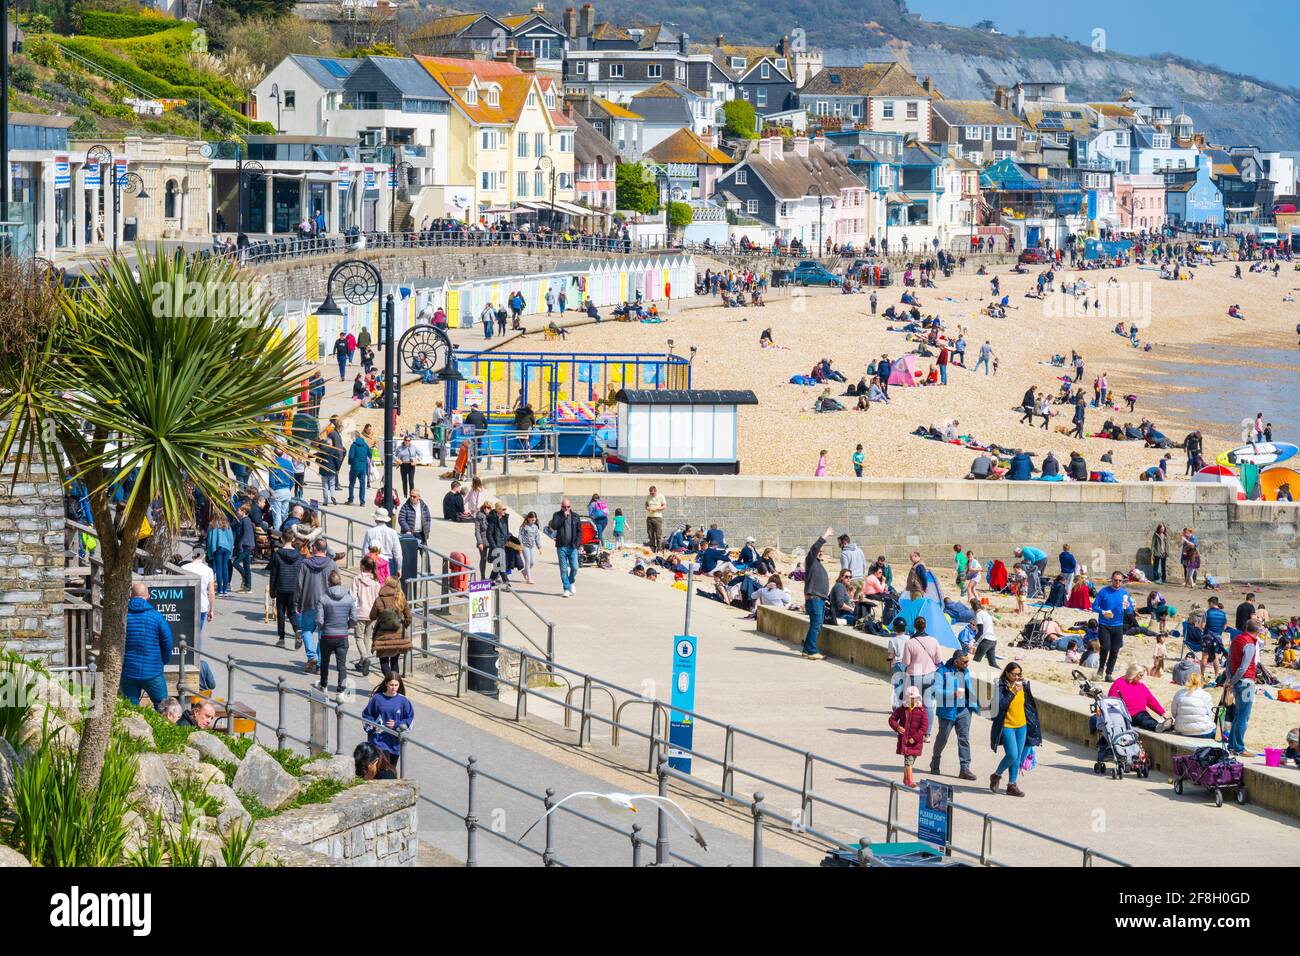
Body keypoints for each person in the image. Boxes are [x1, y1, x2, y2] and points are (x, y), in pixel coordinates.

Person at [989, 662, 1040, 798]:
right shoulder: (1000, 686)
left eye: (1019, 674)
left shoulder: (1023, 685)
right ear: (1007, 673)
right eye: (1014, 674)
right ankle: (996, 775)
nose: (1017, 677)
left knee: (1018, 757)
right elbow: (1000, 705)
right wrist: (1012, 692)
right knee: (1012, 754)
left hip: (1022, 725)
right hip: (1007, 726)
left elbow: (1029, 707)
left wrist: (1033, 726)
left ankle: (1012, 785)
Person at [121, 582, 174, 707]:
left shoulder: (122, 616)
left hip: (129, 670)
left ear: (130, 596)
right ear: (148, 596)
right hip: (153, 670)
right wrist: (163, 661)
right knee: (163, 707)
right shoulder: (156, 616)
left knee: (131, 709)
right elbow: (167, 643)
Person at [930, 650, 979, 780]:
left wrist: (973, 703)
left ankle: (965, 769)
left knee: (964, 739)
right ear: (956, 661)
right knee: (942, 738)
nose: (967, 664)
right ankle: (935, 762)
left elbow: (969, 688)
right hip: (947, 711)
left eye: (968, 661)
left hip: (964, 711)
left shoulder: (965, 671)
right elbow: (935, 691)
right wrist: (952, 694)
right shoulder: (942, 671)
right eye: (965, 661)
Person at [296, 538, 339, 675]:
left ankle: (311, 655)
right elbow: (337, 584)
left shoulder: (305, 564)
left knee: (307, 630)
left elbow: (299, 584)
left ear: (314, 548)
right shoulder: (332, 564)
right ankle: (320, 663)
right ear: (325, 549)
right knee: (323, 635)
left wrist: (296, 601)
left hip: (309, 602)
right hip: (327, 604)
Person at [316, 570, 356, 693]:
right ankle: (341, 689)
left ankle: (324, 684)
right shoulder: (349, 598)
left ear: (328, 583)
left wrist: (324, 627)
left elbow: (319, 619)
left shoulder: (323, 598)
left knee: (324, 661)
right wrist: (346, 627)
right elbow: (354, 619)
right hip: (342, 635)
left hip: (327, 634)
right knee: (341, 664)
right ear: (340, 582)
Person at [361, 672, 414, 765]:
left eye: (396, 685)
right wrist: (373, 726)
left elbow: (409, 719)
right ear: (386, 684)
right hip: (377, 741)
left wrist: (397, 724)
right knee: (378, 770)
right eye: (391, 685)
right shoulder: (377, 698)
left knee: (390, 771)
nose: (393, 687)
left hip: (394, 743)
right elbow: (366, 715)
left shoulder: (404, 701)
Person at [1226, 621, 1261, 756]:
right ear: (1257, 631)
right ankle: (1239, 748)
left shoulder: (1236, 639)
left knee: (1238, 715)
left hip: (1237, 681)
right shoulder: (1250, 643)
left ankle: (1232, 745)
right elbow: (1243, 667)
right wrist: (1232, 681)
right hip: (1246, 682)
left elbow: (1229, 661)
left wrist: (1230, 679)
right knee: (1243, 717)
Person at [903, 615, 942, 736]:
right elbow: (938, 660)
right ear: (925, 626)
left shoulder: (910, 642)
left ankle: (913, 731)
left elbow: (906, 662)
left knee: (913, 704)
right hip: (930, 675)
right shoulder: (933, 640)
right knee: (929, 704)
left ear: (914, 626)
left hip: (915, 676)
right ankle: (927, 733)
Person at [801, 527, 834, 660]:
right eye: (818, 551)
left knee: (816, 625)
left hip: (819, 599)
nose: (820, 552)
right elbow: (815, 547)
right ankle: (812, 651)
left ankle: (806, 650)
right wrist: (826, 534)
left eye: (822, 552)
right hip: (814, 598)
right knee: (816, 625)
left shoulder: (818, 564)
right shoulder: (811, 560)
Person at [1093, 571, 1133, 681]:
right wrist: (1103, 612)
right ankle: (1101, 669)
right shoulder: (1104, 592)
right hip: (1104, 624)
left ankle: (1109, 673)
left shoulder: (1124, 594)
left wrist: (1128, 606)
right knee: (1105, 648)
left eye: (1120, 581)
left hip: (1118, 625)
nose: (1117, 583)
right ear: (1112, 580)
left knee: (1115, 650)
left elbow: (1130, 611)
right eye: (1116, 580)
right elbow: (1094, 606)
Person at [370, 574, 412, 676]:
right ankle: (395, 684)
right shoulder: (401, 598)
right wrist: (403, 626)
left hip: (382, 635)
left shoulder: (379, 599)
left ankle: (389, 683)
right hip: (398, 634)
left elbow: (372, 616)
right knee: (394, 661)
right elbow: (409, 617)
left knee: (383, 661)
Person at [268, 530, 303, 649]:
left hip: (281, 586)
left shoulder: (277, 554)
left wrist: (272, 591)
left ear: (282, 539)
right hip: (294, 588)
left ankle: (281, 638)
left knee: (281, 613)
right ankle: (297, 629)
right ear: (293, 539)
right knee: (292, 612)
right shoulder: (299, 556)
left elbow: (274, 574)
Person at [889, 685, 929, 789]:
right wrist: (897, 727)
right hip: (904, 741)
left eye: (915, 698)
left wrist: (915, 738)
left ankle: (905, 779)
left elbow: (924, 728)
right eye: (911, 698)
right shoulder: (902, 709)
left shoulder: (922, 711)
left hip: (915, 743)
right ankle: (909, 780)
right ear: (907, 698)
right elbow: (892, 719)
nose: (913, 700)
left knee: (910, 761)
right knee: (909, 761)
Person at [1108, 664, 1167, 731]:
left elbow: (1151, 700)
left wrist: (1163, 713)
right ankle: (1157, 726)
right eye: (1140, 675)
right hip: (1126, 715)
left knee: (1145, 718)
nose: (1141, 678)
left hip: (1141, 713)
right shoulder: (1118, 684)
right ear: (1134, 673)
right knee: (1143, 718)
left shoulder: (1141, 686)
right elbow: (1111, 702)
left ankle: (1159, 726)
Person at [180, 549, 216, 653]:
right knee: (198, 633)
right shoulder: (208, 570)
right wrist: (211, 609)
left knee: (185, 631)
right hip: (202, 605)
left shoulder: (184, 568)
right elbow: (211, 592)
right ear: (203, 556)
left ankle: (184, 654)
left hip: (186, 604)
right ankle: (196, 657)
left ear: (193, 555)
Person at [351, 555, 381, 676]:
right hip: (372, 613)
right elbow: (378, 599)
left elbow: (352, 597)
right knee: (368, 637)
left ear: (363, 566)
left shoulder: (357, 579)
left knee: (359, 637)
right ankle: (364, 659)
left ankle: (364, 657)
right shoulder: (376, 582)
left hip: (360, 612)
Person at [548, 497, 583, 597]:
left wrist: (578, 544)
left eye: (568, 507)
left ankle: (571, 581)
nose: (566, 509)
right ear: (561, 506)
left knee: (575, 567)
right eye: (564, 507)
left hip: (572, 547)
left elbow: (579, 531)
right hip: (561, 546)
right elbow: (554, 526)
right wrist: (563, 517)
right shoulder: (557, 515)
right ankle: (566, 588)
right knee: (563, 569)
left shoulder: (575, 516)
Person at [1171, 671, 1216, 738]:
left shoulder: (1179, 693)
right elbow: (1211, 715)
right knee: (1217, 730)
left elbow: (1174, 712)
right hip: (1202, 731)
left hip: (1182, 730)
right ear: (1201, 683)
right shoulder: (1205, 695)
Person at [363, 508, 403, 580]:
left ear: (376, 518)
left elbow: (365, 552)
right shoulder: (392, 532)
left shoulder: (370, 532)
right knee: (388, 588)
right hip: (389, 562)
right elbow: (398, 553)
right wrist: (399, 568)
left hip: (373, 562)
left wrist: (364, 566)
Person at [347, 431, 372, 505]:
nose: (351, 438)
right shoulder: (365, 444)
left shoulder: (353, 445)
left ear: (354, 437)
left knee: (352, 483)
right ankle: (362, 501)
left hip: (355, 466)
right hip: (363, 467)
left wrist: (351, 463)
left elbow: (351, 456)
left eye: (352, 437)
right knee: (362, 485)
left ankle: (351, 500)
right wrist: (366, 460)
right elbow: (369, 454)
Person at [971, 598, 998, 665]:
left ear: (972, 606)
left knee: (975, 662)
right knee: (992, 664)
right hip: (993, 640)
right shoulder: (985, 613)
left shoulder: (979, 615)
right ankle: (1003, 675)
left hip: (986, 641)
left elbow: (981, 631)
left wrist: (973, 640)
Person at [519, 511, 543, 585]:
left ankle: (524, 571)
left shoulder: (535, 527)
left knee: (532, 562)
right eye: (532, 520)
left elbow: (537, 538)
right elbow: (520, 536)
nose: (533, 521)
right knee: (528, 561)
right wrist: (520, 546)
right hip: (525, 546)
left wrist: (539, 548)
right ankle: (529, 579)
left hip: (532, 546)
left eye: (534, 520)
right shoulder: (524, 526)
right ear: (528, 518)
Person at [644, 485, 666, 551]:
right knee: (650, 534)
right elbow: (646, 505)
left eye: (653, 493)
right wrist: (647, 508)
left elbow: (664, 506)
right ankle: (652, 547)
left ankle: (659, 548)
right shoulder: (648, 497)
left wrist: (656, 509)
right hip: (649, 517)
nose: (651, 494)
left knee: (658, 534)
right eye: (650, 493)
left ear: (656, 491)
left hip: (657, 517)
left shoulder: (661, 496)